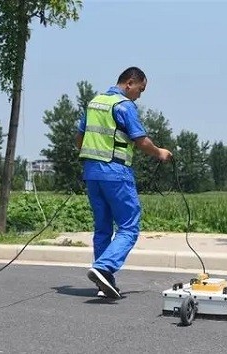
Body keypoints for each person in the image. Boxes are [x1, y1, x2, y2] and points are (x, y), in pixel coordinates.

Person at [75, 67, 173, 299]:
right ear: (130, 83)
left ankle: (104, 282)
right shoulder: (124, 106)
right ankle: (104, 267)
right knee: (129, 226)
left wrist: (93, 159)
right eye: (141, 89)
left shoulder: (94, 102)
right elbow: (140, 140)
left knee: (102, 229)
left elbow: (79, 138)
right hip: (116, 171)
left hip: (91, 172)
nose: (140, 94)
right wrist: (160, 152)